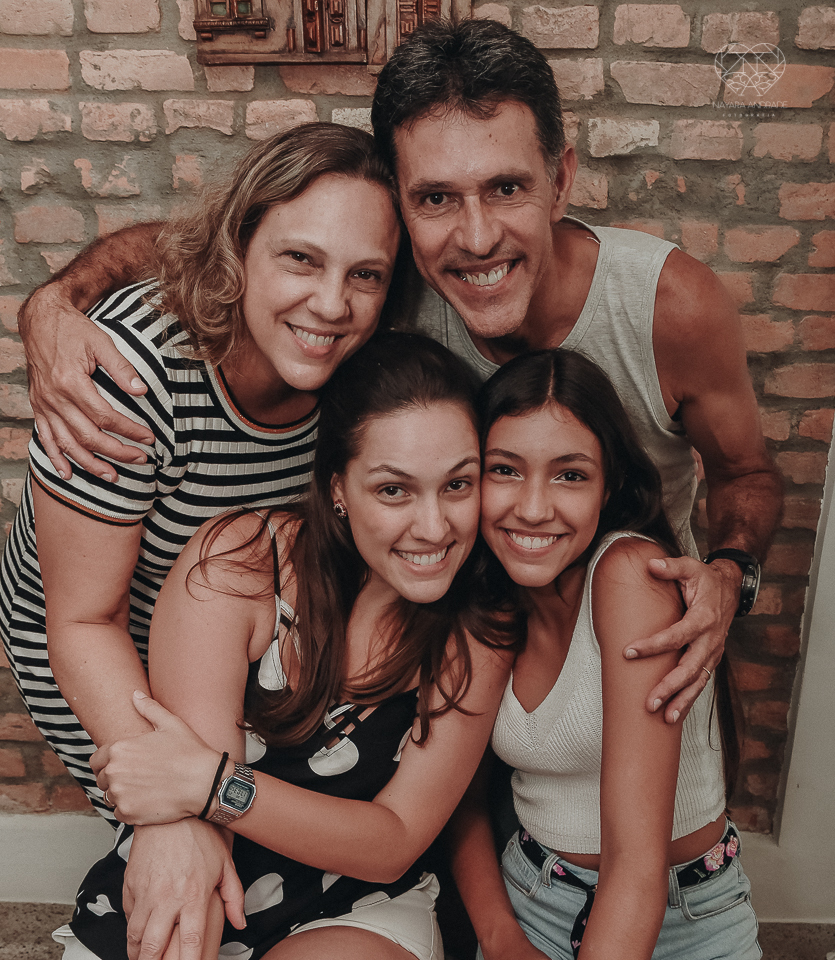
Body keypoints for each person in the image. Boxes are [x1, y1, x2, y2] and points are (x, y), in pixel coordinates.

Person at [17, 20, 781, 728]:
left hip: (635, 647)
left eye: (506, 188)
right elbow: (216, 240)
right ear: (405, 212)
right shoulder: (384, 292)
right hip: (433, 649)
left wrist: (729, 574)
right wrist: (53, 304)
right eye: (436, 198)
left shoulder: (667, 308)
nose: (475, 238)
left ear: (560, 179)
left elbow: (745, 473)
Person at [48, 331, 514, 960]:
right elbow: (186, 840)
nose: (434, 526)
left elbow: (392, 837)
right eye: (393, 489)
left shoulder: (477, 627)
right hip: (164, 906)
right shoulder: (238, 563)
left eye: (457, 484)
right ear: (336, 487)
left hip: (348, 914)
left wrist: (216, 785)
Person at [0, 121, 407, 960]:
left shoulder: (364, 367)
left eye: (364, 275)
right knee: (181, 842)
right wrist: (173, 806)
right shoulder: (131, 373)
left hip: (231, 632)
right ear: (240, 250)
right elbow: (82, 619)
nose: (331, 304)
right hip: (93, 634)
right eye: (299, 259)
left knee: (247, 827)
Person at [449, 348, 761, 960]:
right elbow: (458, 805)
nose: (533, 507)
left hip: (685, 933)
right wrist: (502, 945)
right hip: (536, 923)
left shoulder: (628, 578)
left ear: (608, 485)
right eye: (504, 470)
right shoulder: (480, 600)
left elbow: (635, 869)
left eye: (569, 474)